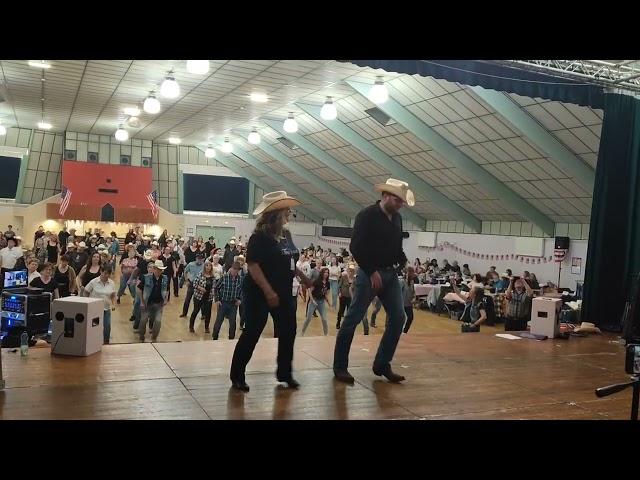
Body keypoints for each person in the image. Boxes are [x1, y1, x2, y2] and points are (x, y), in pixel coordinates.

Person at [333, 178, 414, 384]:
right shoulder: (367, 215)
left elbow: (397, 247)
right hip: (370, 274)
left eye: (402, 201)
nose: (400, 204)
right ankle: (340, 367)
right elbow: (356, 247)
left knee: (398, 317)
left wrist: (403, 262)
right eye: (398, 200)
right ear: (385, 196)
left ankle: (382, 364)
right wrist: (370, 271)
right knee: (353, 319)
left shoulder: (397, 219)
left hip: (390, 275)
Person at [230, 191, 312, 392]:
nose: (290, 213)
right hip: (259, 292)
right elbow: (254, 266)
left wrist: (303, 278)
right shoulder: (259, 237)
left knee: (288, 330)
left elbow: (290, 260)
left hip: (283, 291)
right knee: (253, 331)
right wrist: (268, 292)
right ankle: (237, 376)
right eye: (287, 210)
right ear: (276, 213)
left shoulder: (287, 235)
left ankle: (285, 373)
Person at [137, 259, 169, 342]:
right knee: (143, 320)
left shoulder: (165, 278)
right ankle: (141, 336)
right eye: (158, 269)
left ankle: (154, 337)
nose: (159, 271)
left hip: (159, 304)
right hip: (147, 303)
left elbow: (167, 289)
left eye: (161, 269)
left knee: (158, 321)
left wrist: (166, 299)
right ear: (154, 269)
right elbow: (139, 289)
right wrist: (141, 301)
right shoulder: (146, 278)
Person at [84, 264, 116, 344]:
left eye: (108, 273)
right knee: (95, 326)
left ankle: (106, 342)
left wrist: (113, 304)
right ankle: (93, 342)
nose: (106, 275)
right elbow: (86, 291)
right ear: (101, 272)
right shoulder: (94, 282)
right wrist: (87, 302)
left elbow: (113, 295)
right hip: (95, 310)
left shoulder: (111, 283)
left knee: (107, 326)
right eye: (104, 273)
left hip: (106, 308)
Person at [212, 260, 243, 340]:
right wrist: (217, 299)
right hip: (223, 303)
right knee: (219, 321)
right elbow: (216, 288)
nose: (235, 271)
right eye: (234, 269)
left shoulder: (240, 279)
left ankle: (231, 339)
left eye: (237, 270)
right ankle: (214, 337)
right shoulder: (224, 277)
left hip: (233, 304)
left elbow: (242, 291)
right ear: (231, 269)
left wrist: (240, 299)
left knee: (232, 323)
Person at [188, 260, 216, 333]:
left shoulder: (213, 276)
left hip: (208, 297)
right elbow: (194, 284)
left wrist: (213, 293)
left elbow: (214, 286)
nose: (208, 267)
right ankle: (191, 326)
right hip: (199, 296)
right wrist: (200, 288)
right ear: (204, 267)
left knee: (208, 313)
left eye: (210, 266)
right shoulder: (200, 274)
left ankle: (206, 327)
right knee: (195, 311)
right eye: (207, 265)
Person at [302, 267, 330, 336]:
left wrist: (328, 302)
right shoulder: (317, 281)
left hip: (321, 302)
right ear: (322, 273)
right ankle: (302, 332)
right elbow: (309, 290)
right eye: (325, 272)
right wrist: (312, 300)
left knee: (324, 319)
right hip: (314, 301)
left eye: (327, 272)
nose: (326, 274)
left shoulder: (328, 283)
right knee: (308, 318)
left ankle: (326, 334)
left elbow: (326, 293)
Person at [180, 252, 205, 318]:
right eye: (198, 259)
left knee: (200, 300)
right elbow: (185, 272)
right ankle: (184, 313)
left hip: (200, 285)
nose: (199, 260)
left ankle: (203, 315)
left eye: (201, 259)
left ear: (202, 259)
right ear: (196, 258)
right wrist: (186, 280)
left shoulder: (204, 266)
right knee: (187, 299)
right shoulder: (190, 264)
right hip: (191, 284)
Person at [401, 267, 417, 333]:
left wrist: (414, 298)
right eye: (412, 272)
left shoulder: (412, 282)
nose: (413, 274)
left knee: (410, 317)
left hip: (408, 303)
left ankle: (405, 331)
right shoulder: (402, 281)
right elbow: (398, 292)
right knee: (400, 319)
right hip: (401, 303)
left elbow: (413, 292)